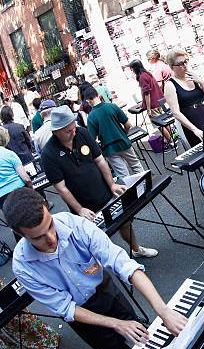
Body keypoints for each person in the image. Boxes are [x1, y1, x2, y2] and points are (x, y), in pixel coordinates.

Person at [5, 187, 187, 349]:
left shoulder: (74, 224)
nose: (52, 238)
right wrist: (116, 324)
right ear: (21, 235)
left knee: (140, 333)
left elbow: (122, 263)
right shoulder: (23, 267)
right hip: (81, 314)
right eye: (38, 237)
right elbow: (66, 307)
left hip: (106, 291)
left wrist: (163, 310)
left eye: (50, 225)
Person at [41, 106, 157, 258]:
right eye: (68, 131)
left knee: (124, 222)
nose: (73, 132)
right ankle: (107, 266)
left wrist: (112, 184)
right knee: (96, 238)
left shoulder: (82, 132)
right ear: (56, 131)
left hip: (104, 191)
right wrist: (80, 209)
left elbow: (100, 160)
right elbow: (61, 188)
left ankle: (136, 249)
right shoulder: (49, 154)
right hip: (83, 204)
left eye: (73, 128)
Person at [85, 87, 144, 178]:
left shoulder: (91, 117)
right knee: (136, 166)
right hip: (123, 142)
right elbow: (128, 124)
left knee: (124, 175)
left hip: (109, 149)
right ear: (98, 95)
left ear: (88, 100)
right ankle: (147, 186)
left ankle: (134, 191)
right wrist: (124, 134)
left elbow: (92, 139)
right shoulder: (112, 106)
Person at [163, 49, 204, 147]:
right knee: (200, 153)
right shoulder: (170, 85)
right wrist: (194, 129)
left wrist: (202, 82)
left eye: (185, 62)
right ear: (172, 66)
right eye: (180, 64)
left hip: (203, 117)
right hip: (188, 124)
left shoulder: (192, 76)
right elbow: (176, 112)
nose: (184, 65)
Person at [129, 60, 172, 146]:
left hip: (153, 105)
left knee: (159, 125)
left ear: (135, 68)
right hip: (159, 101)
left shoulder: (142, 77)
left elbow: (147, 93)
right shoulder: (147, 74)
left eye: (132, 69)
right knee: (164, 122)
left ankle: (171, 142)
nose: (132, 71)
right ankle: (173, 139)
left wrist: (148, 108)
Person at [0, 127, 32, 210]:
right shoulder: (8, 153)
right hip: (19, 190)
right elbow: (25, 178)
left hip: (2, 198)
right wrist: (32, 189)